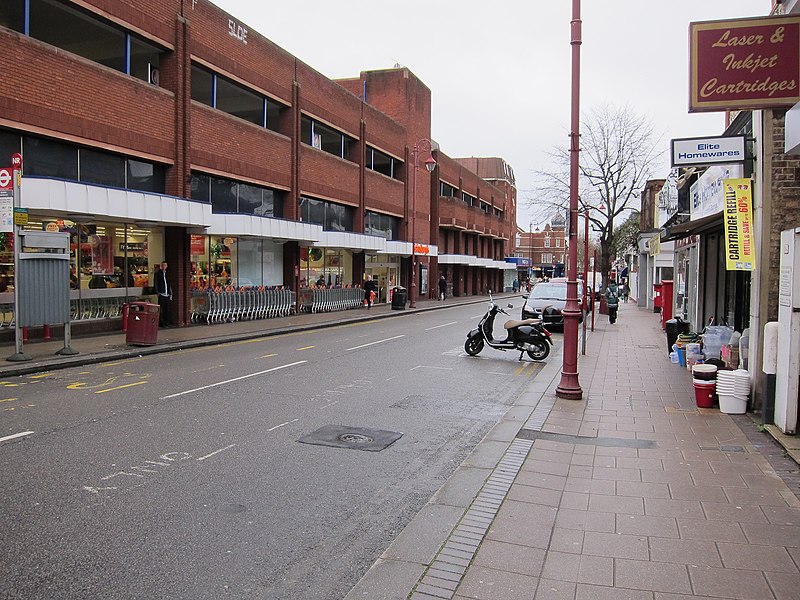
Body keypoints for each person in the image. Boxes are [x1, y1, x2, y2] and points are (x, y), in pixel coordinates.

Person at [155, 261, 172, 327]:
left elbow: (169, 284)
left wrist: (170, 293)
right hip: (161, 294)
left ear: (167, 266)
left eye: (165, 265)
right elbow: (156, 283)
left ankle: (167, 322)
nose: (164, 267)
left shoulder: (167, 274)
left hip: (167, 294)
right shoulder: (158, 274)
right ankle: (161, 323)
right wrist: (157, 292)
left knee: (166, 309)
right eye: (163, 265)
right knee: (161, 309)